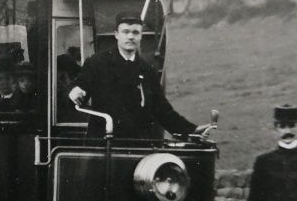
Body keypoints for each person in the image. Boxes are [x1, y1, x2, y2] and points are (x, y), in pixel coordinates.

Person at [67, 12, 211, 139]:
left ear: (141, 36)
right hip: (105, 146)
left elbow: (162, 110)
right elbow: (79, 87)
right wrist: (74, 91)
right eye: (126, 32)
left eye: (135, 33)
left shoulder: (147, 71)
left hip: (138, 146)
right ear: (116, 34)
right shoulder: (97, 63)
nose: (130, 37)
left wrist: (192, 130)